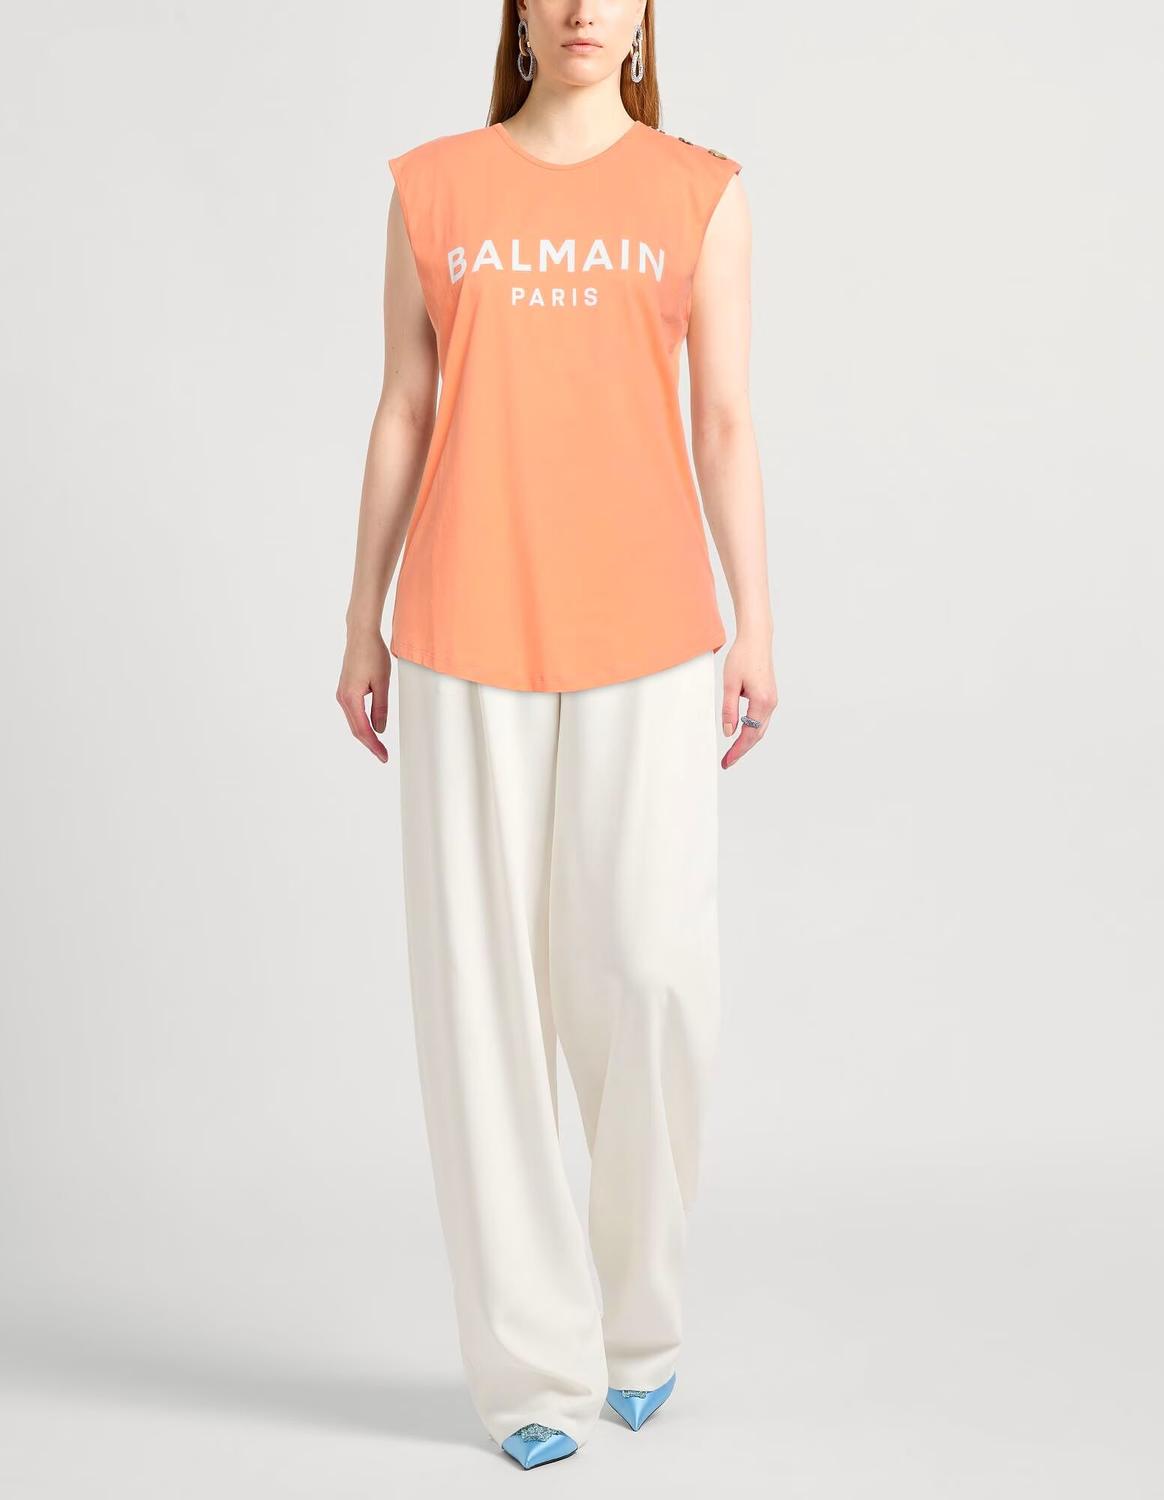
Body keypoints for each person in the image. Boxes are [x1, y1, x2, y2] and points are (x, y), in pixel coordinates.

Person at [337, 0, 774, 1471]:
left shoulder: (700, 191)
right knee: (484, 1002)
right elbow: (404, 409)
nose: (586, 5)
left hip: (650, 629)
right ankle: (531, 1367)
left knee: (651, 971)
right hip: (462, 624)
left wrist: (756, 621)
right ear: (518, 7)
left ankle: (638, 1317)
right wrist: (360, 619)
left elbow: (724, 419)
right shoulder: (433, 187)